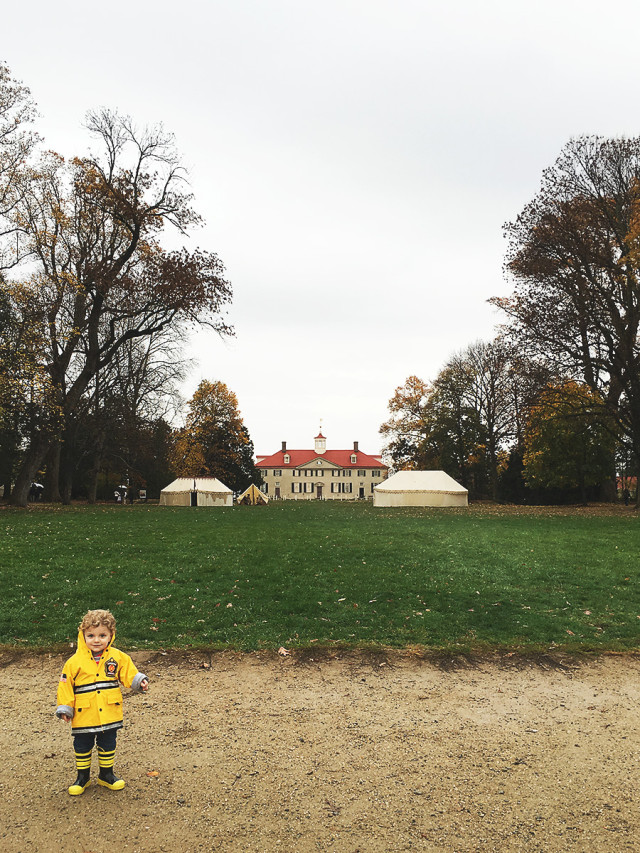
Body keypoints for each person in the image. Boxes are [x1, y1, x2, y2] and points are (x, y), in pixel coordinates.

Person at [55, 609, 149, 796]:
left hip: (109, 712)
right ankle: (82, 777)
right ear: (83, 635)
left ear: (111, 636)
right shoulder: (74, 662)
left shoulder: (118, 657)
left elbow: (128, 672)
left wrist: (139, 681)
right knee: (82, 745)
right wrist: (65, 708)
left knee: (108, 743)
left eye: (102, 635)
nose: (96, 640)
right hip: (84, 714)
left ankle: (106, 775)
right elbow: (65, 686)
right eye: (91, 635)